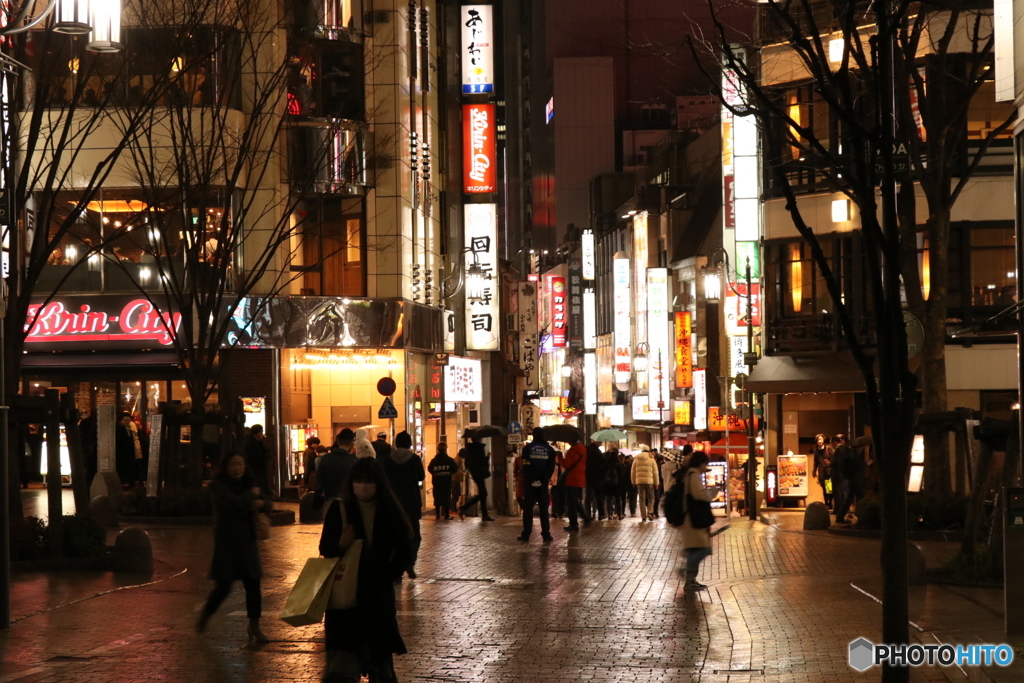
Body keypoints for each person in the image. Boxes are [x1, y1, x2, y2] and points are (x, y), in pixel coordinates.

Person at [319, 457, 411, 683]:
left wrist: (387, 575)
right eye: (358, 481)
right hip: (345, 597)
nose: (362, 486)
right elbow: (325, 548)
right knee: (342, 666)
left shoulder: (389, 509)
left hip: (377, 596)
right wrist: (342, 543)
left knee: (380, 662)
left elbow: (404, 550)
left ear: (378, 483)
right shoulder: (339, 508)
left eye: (368, 481)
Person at [196, 452, 272, 641]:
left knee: (253, 584)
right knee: (223, 586)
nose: (237, 468)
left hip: (248, 540)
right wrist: (251, 497)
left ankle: (254, 626)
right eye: (233, 465)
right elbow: (232, 503)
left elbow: (266, 504)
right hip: (227, 541)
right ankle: (206, 614)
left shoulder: (250, 482)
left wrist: (260, 501)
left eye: (240, 464)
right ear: (225, 467)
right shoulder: (217, 486)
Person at [381, 431, 425, 579]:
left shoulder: (387, 460)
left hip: (393, 502)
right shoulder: (414, 459)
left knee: (393, 535)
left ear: (396, 443)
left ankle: (396, 568)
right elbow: (421, 476)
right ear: (409, 443)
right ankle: (409, 563)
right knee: (414, 536)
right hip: (411, 502)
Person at [680, 451, 720, 590]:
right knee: (703, 549)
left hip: (693, 517)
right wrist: (712, 492)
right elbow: (699, 495)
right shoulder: (693, 475)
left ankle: (690, 579)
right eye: (705, 464)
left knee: (696, 548)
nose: (706, 466)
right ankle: (687, 572)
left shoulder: (692, 474)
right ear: (700, 463)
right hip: (693, 518)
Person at [518, 428, 557, 542]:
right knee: (544, 509)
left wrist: (532, 479)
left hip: (530, 483)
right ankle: (546, 534)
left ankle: (526, 534)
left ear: (534, 435)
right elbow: (551, 467)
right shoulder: (549, 450)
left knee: (528, 509)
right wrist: (542, 480)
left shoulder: (527, 448)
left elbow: (525, 464)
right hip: (543, 484)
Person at [316, 429, 358, 507]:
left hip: (330, 499)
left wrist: (318, 498)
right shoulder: (354, 461)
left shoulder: (326, 458)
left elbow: (320, 480)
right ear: (352, 443)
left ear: (338, 441)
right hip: (348, 500)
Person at [459, 435, 495, 521]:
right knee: (483, 494)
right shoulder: (478, 448)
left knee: (483, 494)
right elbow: (480, 461)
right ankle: (464, 507)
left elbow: (471, 461)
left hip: (475, 472)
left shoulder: (470, 448)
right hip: (479, 472)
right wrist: (488, 457)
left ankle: (484, 515)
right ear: (478, 438)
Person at [556, 436, 589, 532]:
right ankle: (584, 517)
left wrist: (559, 457)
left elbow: (566, 464)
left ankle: (574, 523)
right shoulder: (582, 450)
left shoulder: (572, 451)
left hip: (572, 479)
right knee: (574, 501)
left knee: (571, 502)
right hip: (580, 478)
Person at [427, 443, 457, 520]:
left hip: (437, 481)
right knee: (446, 497)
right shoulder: (449, 460)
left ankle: (438, 514)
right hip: (446, 481)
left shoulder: (434, 461)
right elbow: (455, 469)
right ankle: (446, 514)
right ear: (446, 449)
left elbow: (430, 469)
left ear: (437, 449)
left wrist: (436, 473)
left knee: (437, 497)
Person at [630, 447, 660, 522]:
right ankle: (650, 512)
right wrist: (656, 483)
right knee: (651, 498)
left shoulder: (636, 460)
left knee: (642, 499)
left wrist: (633, 482)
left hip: (639, 482)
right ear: (648, 451)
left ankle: (643, 516)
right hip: (650, 482)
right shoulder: (651, 459)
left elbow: (632, 472)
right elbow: (655, 473)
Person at [830, 435, 852, 524]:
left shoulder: (839, 449)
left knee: (838, 493)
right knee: (841, 493)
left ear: (835, 442)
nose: (832, 445)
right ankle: (840, 509)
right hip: (842, 475)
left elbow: (836, 462)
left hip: (838, 475)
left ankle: (839, 510)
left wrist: (830, 464)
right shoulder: (843, 449)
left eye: (832, 443)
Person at [244, 424, 270, 493]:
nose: (262, 434)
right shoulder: (252, 444)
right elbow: (259, 457)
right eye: (261, 432)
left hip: (257, 470)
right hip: (256, 471)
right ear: (258, 433)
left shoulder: (256, 443)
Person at [584, 440, 606, 520]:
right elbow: (603, 463)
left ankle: (587, 514)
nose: (601, 443)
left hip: (588, 475)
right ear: (597, 442)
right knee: (598, 496)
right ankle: (601, 514)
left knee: (588, 496)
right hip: (597, 476)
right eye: (600, 442)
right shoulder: (597, 451)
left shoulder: (586, 449)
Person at [811, 433, 833, 509]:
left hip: (828, 471)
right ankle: (826, 502)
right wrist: (814, 470)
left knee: (829, 488)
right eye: (818, 440)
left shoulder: (828, 448)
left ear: (824, 440)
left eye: (821, 439)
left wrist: (830, 463)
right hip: (821, 471)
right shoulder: (816, 450)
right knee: (824, 487)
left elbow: (833, 458)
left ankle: (830, 503)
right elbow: (815, 461)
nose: (820, 441)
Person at [115, 412, 138, 487]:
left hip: (129, 453)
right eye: (125, 420)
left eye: (128, 420)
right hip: (122, 453)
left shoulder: (129, 429)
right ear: (121, 421)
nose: (127, 422)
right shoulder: (119, 430)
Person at [603, 448, 622, 520]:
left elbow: (603, 473)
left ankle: (609, 515)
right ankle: (619, 514)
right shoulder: (618, 463)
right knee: (617, 500)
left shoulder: (606, 463)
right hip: (616, 484)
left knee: (608, 500)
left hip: (608, 484)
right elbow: (621, 474)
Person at [450, 447, 466, 517]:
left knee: (456, 494)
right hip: (455, 480)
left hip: (456, 480)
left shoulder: (458, 459)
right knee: (455, 495)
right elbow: (455, 470)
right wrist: (462, 472)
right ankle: (453, 509)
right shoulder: (457, 460)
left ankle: (453, 508)